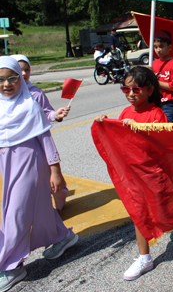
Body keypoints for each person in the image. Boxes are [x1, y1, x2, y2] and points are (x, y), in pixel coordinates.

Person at [95, 66, 173, 280]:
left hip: (154, 174)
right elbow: (120, 137)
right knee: (139, 214)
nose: (131, 93)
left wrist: (140, 128)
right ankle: (144, 258)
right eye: (125, 89)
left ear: (149, 90)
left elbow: (161, 146)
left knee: (165, 214)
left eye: (136, 89)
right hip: (134, 174)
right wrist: (105, 123)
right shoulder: (126, 112)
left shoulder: (157, 114)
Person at [0, 56, 79, 292]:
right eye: (2, 79)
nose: (7, 84)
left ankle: (13, 265)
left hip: (31, 160)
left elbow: (45, 138)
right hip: (7, 162)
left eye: (13, 78)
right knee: (38, 207)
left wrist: (55, 170)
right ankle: (62, 236)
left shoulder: (29, 104)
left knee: (16, 212)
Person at [13, 54, 70, 210]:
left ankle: (60, 197)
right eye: (19, 70)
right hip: (15, 146)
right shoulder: (6, 94)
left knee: (48, 175)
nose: (24, 74)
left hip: (37, 142)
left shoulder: (35, 93)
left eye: (27, 70)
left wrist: (56, 115)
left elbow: (46, 112)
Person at [151, 30, 173, 122]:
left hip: (169, 104)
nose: (158, 50)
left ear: (169, 47)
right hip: (154, 103)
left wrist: (156, 81)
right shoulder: (152, 64)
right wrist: (147, 74)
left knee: (166, 129)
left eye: (161, 46)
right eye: (155, 47)